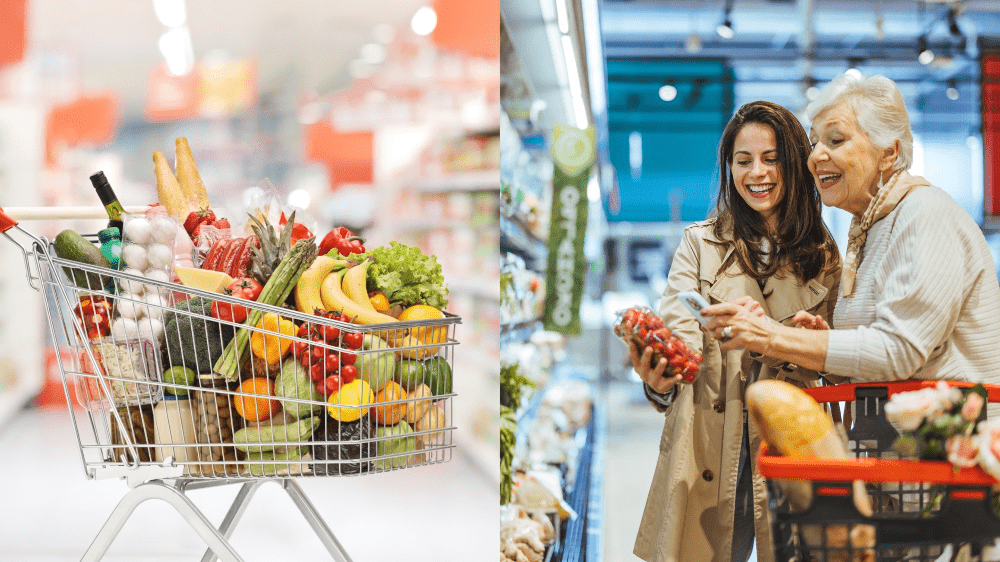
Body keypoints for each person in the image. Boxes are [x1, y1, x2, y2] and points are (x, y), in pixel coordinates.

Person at [630, 100, 841, 562]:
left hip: (784, 449)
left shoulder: (824, 257)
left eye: (771, 159)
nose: (756, 173)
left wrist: (812, 340)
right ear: (729, 168)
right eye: (742, 161)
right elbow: (679, 337)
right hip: (704, 447)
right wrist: (660, 378)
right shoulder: (699, 244)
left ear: (794, 163)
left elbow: (838, 358)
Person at [701, 75, 1000, 388]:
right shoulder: (872, 227)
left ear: (889, 152)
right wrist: (823, 344)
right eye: (814, 143)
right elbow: (880, 358)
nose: (815, 157)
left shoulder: (924, 213)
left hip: (949, 433)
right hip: (897, 434)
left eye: (836, 140)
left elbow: (900, 351)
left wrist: (770, 334)